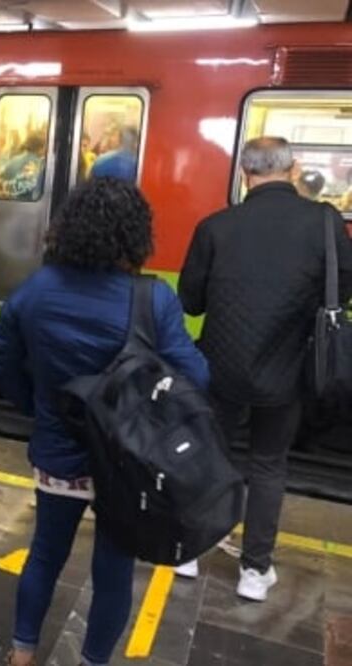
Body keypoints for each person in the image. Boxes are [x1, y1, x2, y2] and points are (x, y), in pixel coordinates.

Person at [0, 178, 209, 666]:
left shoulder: (36, 289)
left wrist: (37, 407)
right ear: (136, 235)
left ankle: (22, 654)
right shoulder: (154, 299)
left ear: (68, 228)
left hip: (59, 454)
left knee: (45, 553)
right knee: (113, 568)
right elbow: (195, 375)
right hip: (128, 464)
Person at [178, 137, 352, 600]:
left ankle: (190, 553)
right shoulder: (324, 221)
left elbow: (190, 301)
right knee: (269, 465)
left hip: (222, 366)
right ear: (293, 171)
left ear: (244, 174)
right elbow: (342, 292)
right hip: (287, 368)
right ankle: (255, 572)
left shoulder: (216, 226)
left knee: (210, 454)